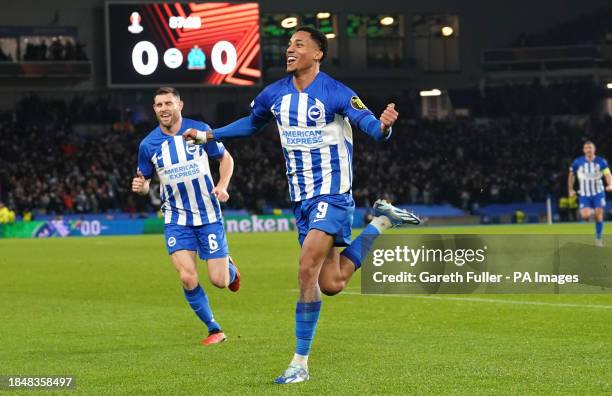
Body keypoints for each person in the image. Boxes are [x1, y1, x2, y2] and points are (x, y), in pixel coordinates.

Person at [183, 26, 420, 383]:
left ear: (318, 54)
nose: (289, 50)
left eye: (299, 45)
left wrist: (385, 127)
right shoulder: (273, 94)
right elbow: (251, 124)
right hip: (301, 199)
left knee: (306, 267)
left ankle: (299, 363)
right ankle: (381, 223)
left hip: (333, 194)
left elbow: (370, 125)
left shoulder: (337, 93)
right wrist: (209, 134)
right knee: (332, 281)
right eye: (289, 44)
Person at [132, 87, 241, 345]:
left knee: (219, 281)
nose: (163, 109)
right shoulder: (148, 145)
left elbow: (226, 159)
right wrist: (142, 188)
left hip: (208, 214)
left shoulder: (199, 130)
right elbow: (144, 180)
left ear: (180, 104)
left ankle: (231, 270)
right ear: (154, 109)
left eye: (168, 103)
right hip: (176, 218)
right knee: (187, 276)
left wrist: (223, 184)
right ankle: (214, 329)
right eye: (158, 105)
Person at [568, 140, 612, 246]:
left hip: (598, 192)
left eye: (590, 148)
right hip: (584, 194)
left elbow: (607, 174)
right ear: (584, 150)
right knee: (585, 216)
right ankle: (594, 212)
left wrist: (610, 184)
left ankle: (598, 238)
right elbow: (571, 175)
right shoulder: (577, 162)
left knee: (598, 215)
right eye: (586, 148)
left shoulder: (601, 161)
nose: (588, 150)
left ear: (594, 149)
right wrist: (570, 189)